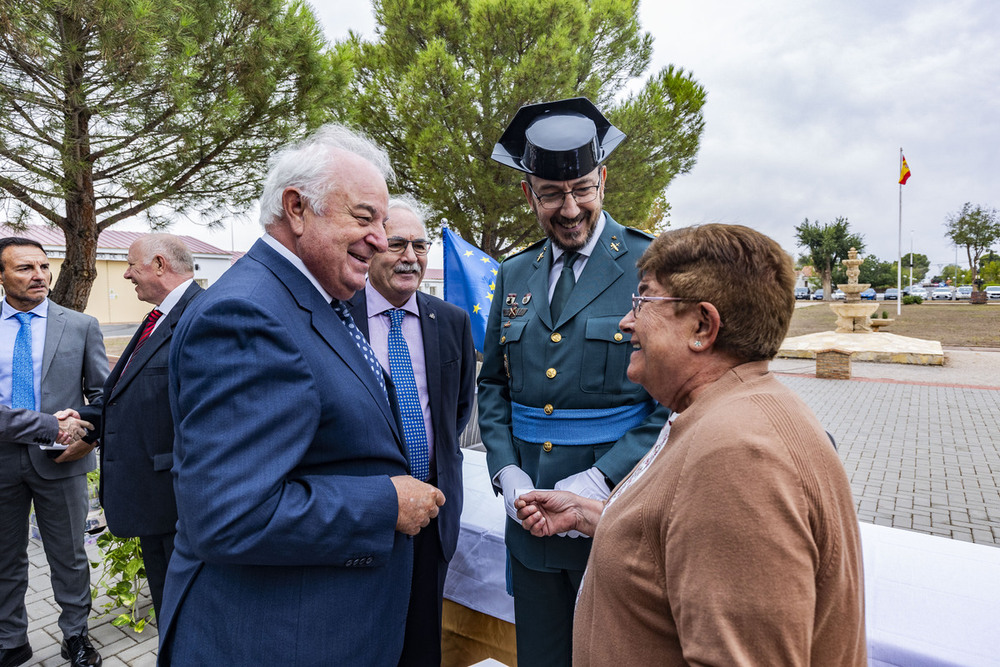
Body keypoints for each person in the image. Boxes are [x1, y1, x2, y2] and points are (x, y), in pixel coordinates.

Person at [158, 125, 445, 666]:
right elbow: (230, 516)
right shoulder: (246, 314)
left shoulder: (302, 298)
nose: (383, 241)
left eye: (383, 222)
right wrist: (387, 503)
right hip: (273, 639)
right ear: (296, 208)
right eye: (365, 218)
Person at [516, 224, 867, 665]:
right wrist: (593, 516)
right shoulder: (725, 412)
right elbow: (682, 541)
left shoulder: (738, 457)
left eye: (643, 300)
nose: (626, 322)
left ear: (703, 326)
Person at [478, 97, 670, 666]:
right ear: (528, 193)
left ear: (603, 179)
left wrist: (601, 478)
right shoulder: (514, 272)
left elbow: (670, 403)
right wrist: (505, 469)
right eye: (551, 194)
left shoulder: (648, 264)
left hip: (617, 514)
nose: (569, 209)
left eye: (582, 189)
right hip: (530, 517)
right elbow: (493, 386)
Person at [347, 195, 476, 666]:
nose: (410, 256)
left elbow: (456, 412)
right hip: (365, 514)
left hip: (434, 515)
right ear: (374, 247)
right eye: (397, 243)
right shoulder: (339, 316)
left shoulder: (452, 322)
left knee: (423, 643)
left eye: (420, 245)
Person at [77, 234, 203, 620]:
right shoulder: (157, 317)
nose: (127, 274)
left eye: (132, 265)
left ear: (160, 265)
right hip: (151, 497)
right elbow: (123, 390)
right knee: (167, 608)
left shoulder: (202, 315)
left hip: (175, 499)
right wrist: (85, 419)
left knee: (183, 613)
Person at [0, 237, 108, 667]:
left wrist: (88, 437)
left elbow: (102, 396)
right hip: (2, 459)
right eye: (25, 268)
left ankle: (76, 636)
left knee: (70, 555)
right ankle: (11, 640)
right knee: (5, 557)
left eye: (44, 267)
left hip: (62, 461)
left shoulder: (80, 325)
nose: (39, 276)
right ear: (2, 275)